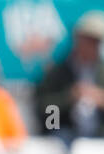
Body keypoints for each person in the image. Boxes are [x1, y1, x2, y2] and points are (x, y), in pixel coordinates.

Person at [34, 11, 104, 142]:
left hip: (98, 137)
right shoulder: (57, 72)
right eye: (88, 40)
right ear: (77, 39)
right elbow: (44, 109)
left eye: (96, 42)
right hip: (65, 137)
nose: (92, 46)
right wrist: (70, 97)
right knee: (58, 141)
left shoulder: (102, 72)